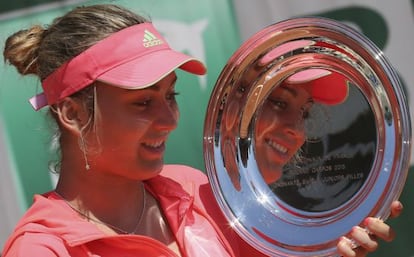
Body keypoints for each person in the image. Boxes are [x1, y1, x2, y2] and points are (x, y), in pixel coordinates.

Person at [1, 4, 403, 257]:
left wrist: (329, 249)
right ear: (71, 113)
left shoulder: (195, 190)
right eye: (142, 102)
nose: (170, 119)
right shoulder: (43, 248)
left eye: (170, 96)